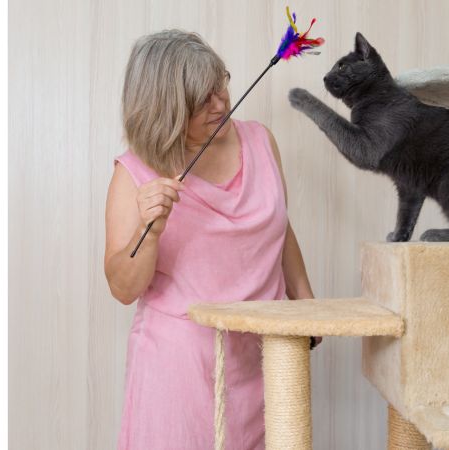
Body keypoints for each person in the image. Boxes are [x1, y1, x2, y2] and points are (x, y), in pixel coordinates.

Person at [104, 29, 319, 450]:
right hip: (181, 370)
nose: (221, 103)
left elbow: (279, 229)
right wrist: (149, 231)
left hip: (265, 360)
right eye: (202, 98)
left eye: (221, 83)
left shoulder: (261, 140)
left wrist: (307, 305)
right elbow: (121, 287)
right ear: (166, 107)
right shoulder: (133, 173)